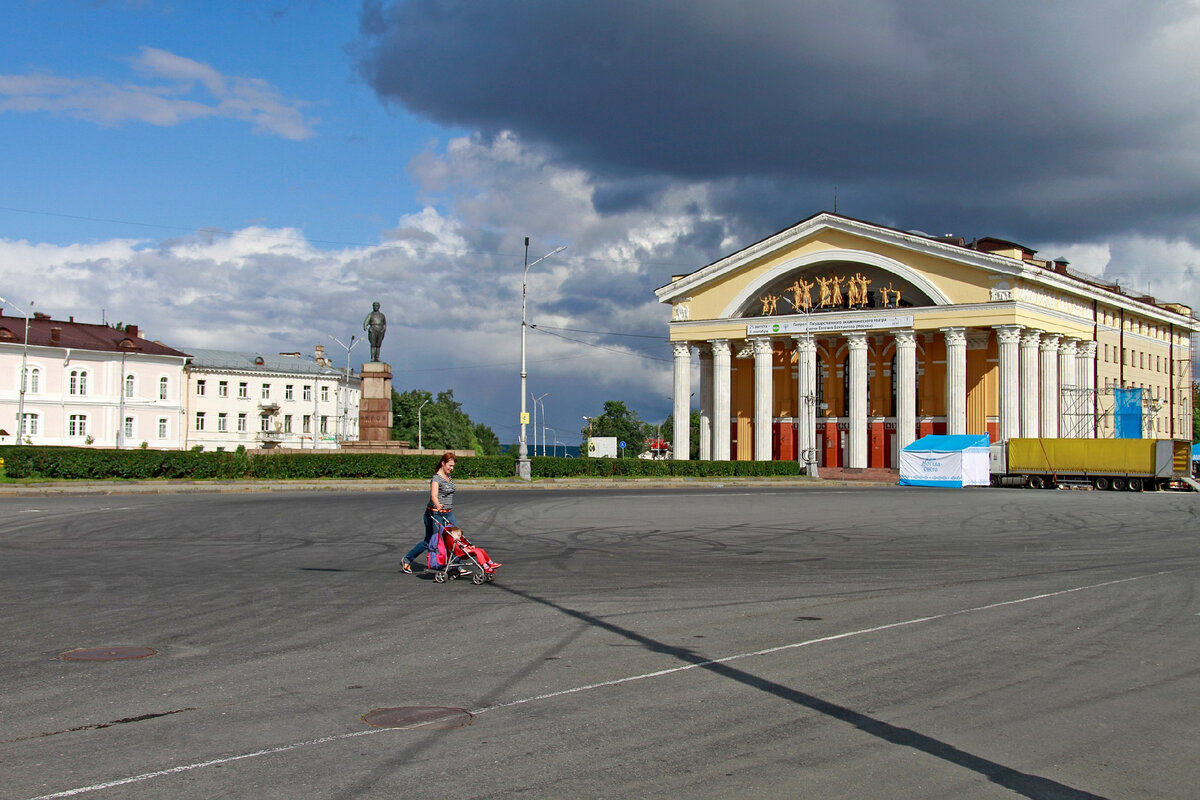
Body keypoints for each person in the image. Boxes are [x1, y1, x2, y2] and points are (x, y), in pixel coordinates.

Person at [402, 452, 457, 573]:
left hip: (448, 513)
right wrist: (438, 506)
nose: (451, 468)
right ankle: (407, 559)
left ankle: (456, 566)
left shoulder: (449, 477)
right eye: (450, 465)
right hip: (435, 514)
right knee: (430, 542)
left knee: (455, 538)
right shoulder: (436, 478)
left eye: (453, 466)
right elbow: (433, 495)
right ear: (443, 463)